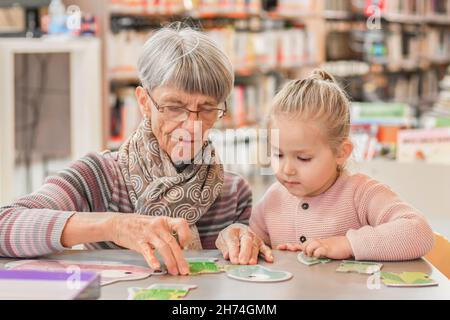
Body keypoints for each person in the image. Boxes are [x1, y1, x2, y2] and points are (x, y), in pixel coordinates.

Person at [0, 24, 272, 276]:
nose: (192, 125)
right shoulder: (100, 176)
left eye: (207, 108)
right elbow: (5, 225)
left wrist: (242, 237)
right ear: (144, 102)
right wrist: (116, 226)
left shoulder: (233, 192)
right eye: (174, 107)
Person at [247, 69, 434, 261]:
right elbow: (249, 237)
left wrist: (348, 244)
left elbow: (419, 232)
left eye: (303, 158)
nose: (286, 169)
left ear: (341, 152)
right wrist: (243, 239)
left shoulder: (360, 194)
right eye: (278, 154)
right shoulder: (273, 199)